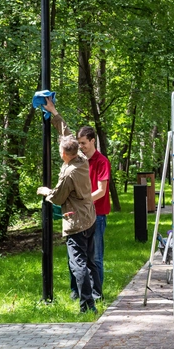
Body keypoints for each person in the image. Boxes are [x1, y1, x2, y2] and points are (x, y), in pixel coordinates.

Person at [43, 98, 110, 297]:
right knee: (77, 258)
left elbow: (102, 191)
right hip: (80, 214)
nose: (80, 147)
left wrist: (82, 203)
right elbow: (66, 135)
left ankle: (95, 294)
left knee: (94, 258)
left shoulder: (99, 161)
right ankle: (78, 292)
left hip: (95, 215)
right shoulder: (79, 158)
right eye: (78, 144)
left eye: (83, 143)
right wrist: (54, 112)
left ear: (93, 141)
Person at [37, 135, 100, 313]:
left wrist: (45, 191)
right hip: (89, 219)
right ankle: (96, 296)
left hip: (77, 224)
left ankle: (87, 306)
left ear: (64, 153)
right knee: (89, 261)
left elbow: (58, 197)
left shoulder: (70, 174)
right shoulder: (82, 160)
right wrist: (55, 115)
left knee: (78, 264)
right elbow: (68, 134)